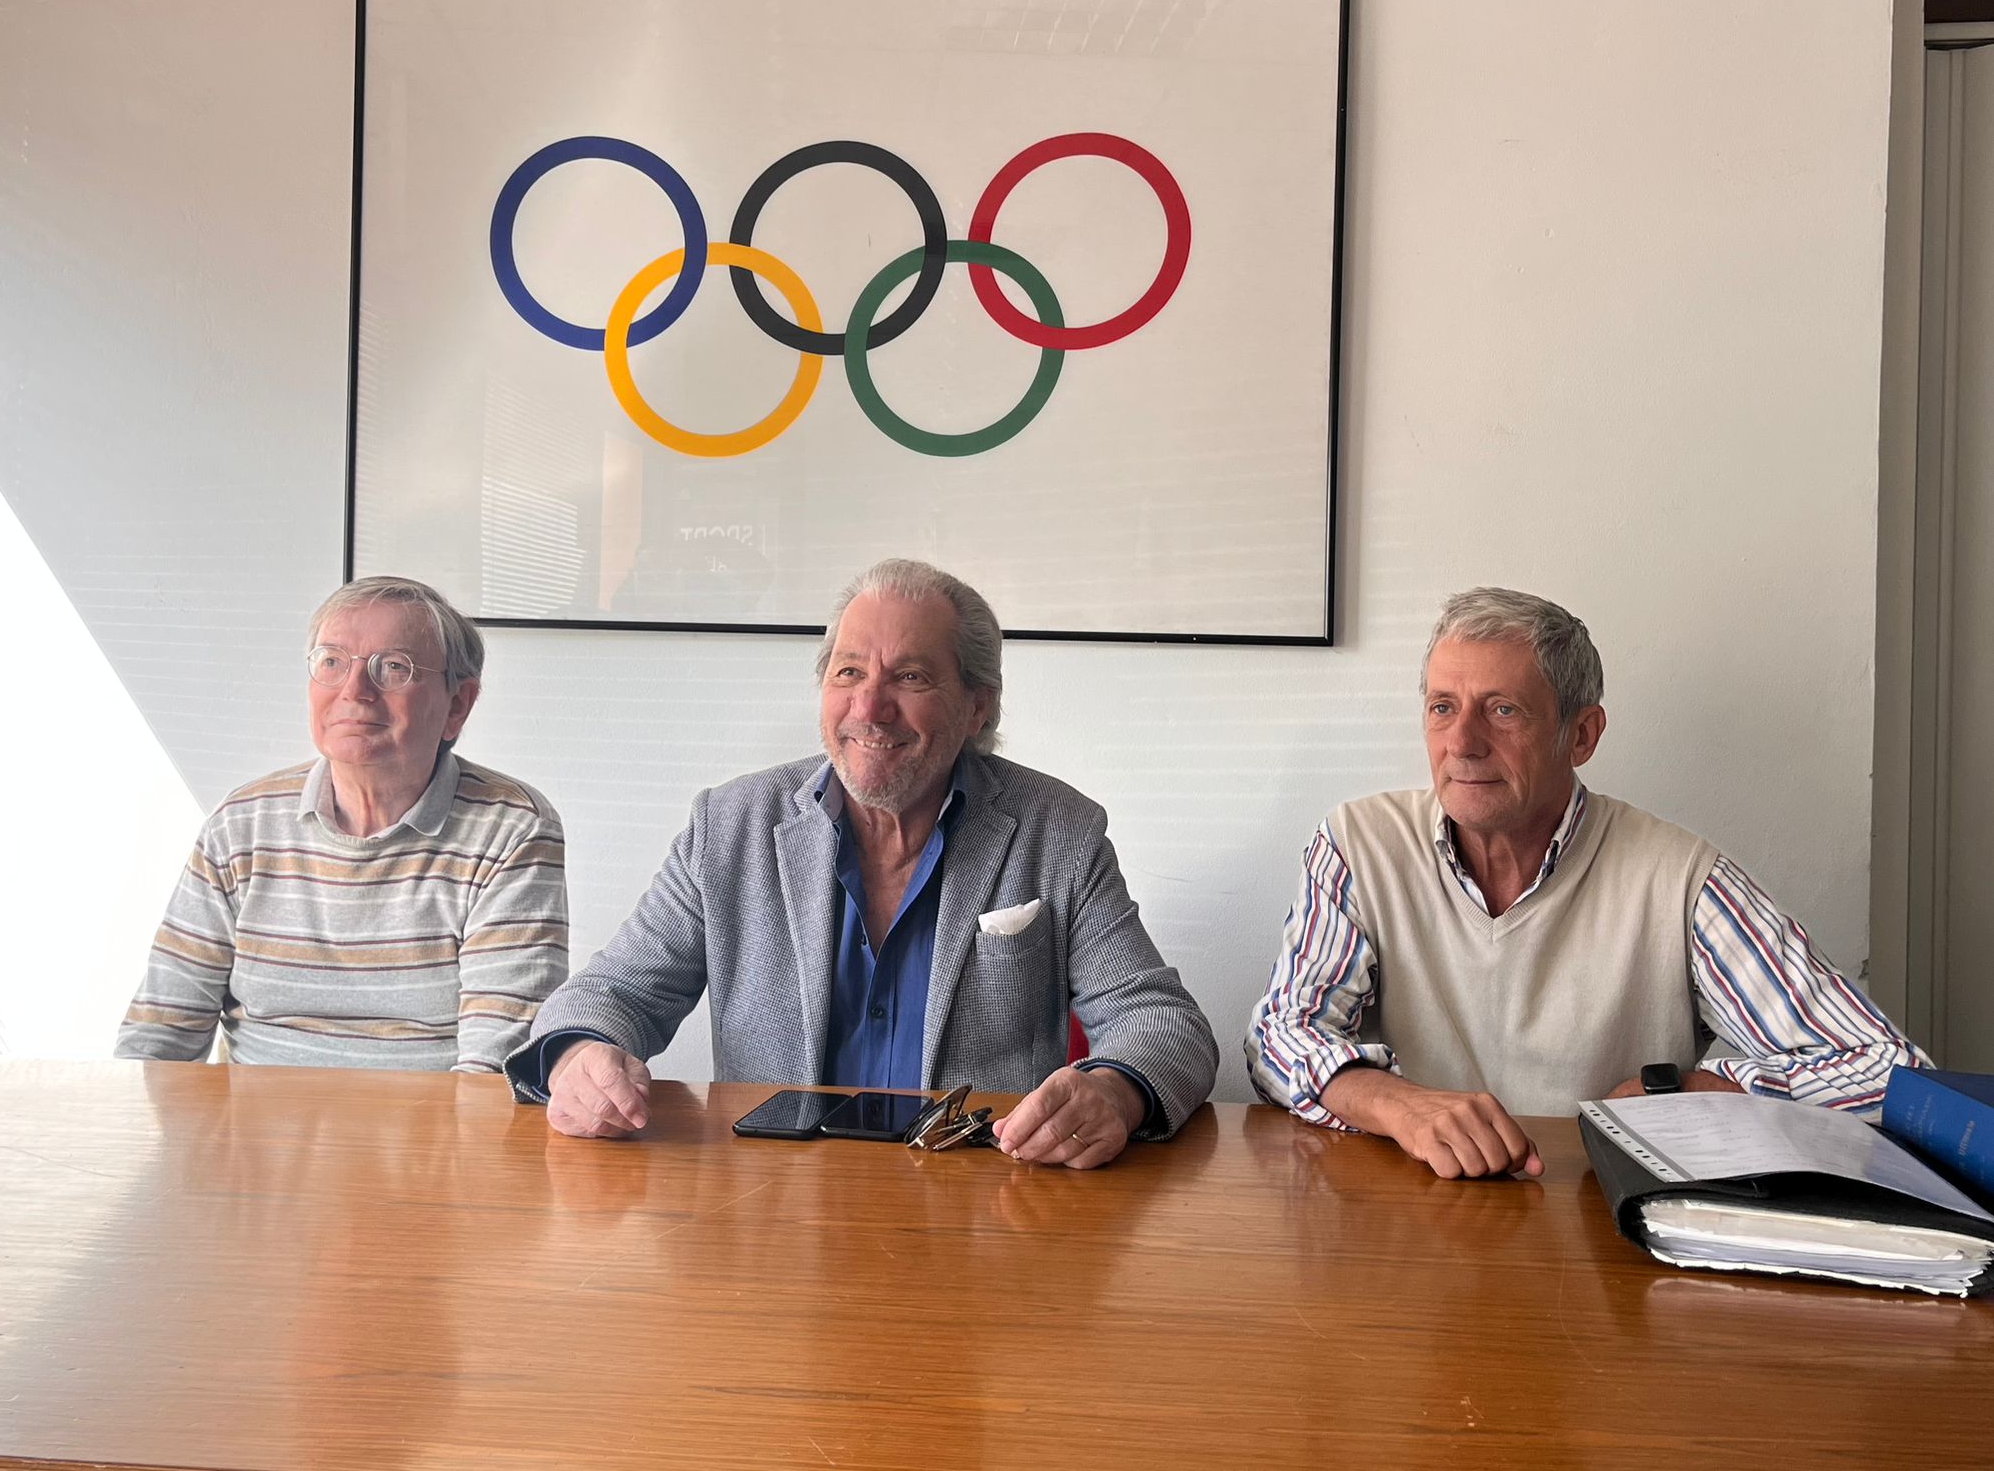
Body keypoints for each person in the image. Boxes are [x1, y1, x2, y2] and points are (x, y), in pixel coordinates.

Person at [507, 558, 1218, 1168]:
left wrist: (1115, 1091)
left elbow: (1162, 1023)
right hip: (774, 1211)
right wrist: (580, 1057)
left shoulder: (1056, 831)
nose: (870, 707)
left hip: (979, 1207)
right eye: (849, 672)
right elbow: (610, 994)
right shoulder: (730, 826)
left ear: (977, 707)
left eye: (910, 676)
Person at [1245, 586, 1924, 1180]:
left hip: (1601, 1221)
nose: (1462, 742)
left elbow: (1892, 1075)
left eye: (1502, 710)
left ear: (1582, 735)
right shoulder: (1360, 844)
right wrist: (1398, 1104)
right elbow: (1278, 1036)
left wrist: (1699, 1089)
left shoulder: (1677, 879)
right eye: (1442, 707)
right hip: (1405, 1215)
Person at [117, 576, 568, 1072]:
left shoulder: (512, 829)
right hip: (254, 1121)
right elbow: (157, 1039)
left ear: (457, 704)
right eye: (332, 662)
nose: (354, 691)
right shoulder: (242, 823)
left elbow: (494, 1068)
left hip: (435, 1123)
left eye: (392, 667)